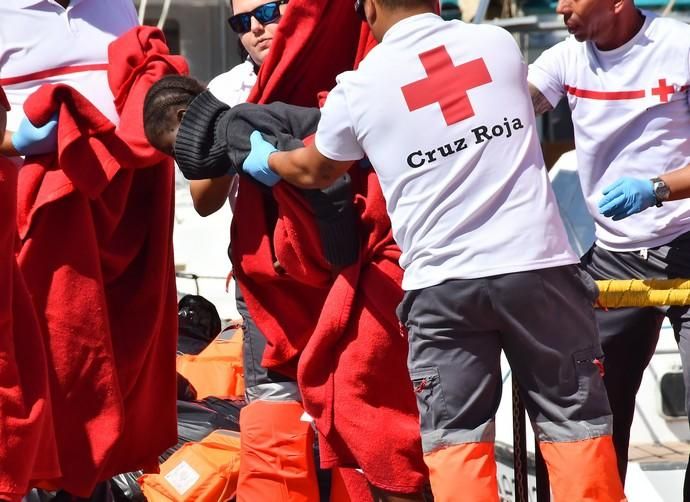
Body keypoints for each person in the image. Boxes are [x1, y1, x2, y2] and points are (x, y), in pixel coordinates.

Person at [241, 0, 627, 501]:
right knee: (574, 424)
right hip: (538, 269)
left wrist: (266, 157)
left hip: (441, 288)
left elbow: (315, 171)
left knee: (457, 439)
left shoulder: (358, 87)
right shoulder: (497, 45)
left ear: (372, 6)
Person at [0, 2, 184, 496]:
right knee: (29, 396)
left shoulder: (118, 6)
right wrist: (12, 141)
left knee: (94, 391)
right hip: (24, 231)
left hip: (118, 235)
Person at [527, 0, 690, 490]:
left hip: (686, 240)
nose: (560, 7)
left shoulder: (681, 48)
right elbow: (501, 110)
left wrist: (658, 188)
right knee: (593, 417)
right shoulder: (564, 60)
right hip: (614, 255)